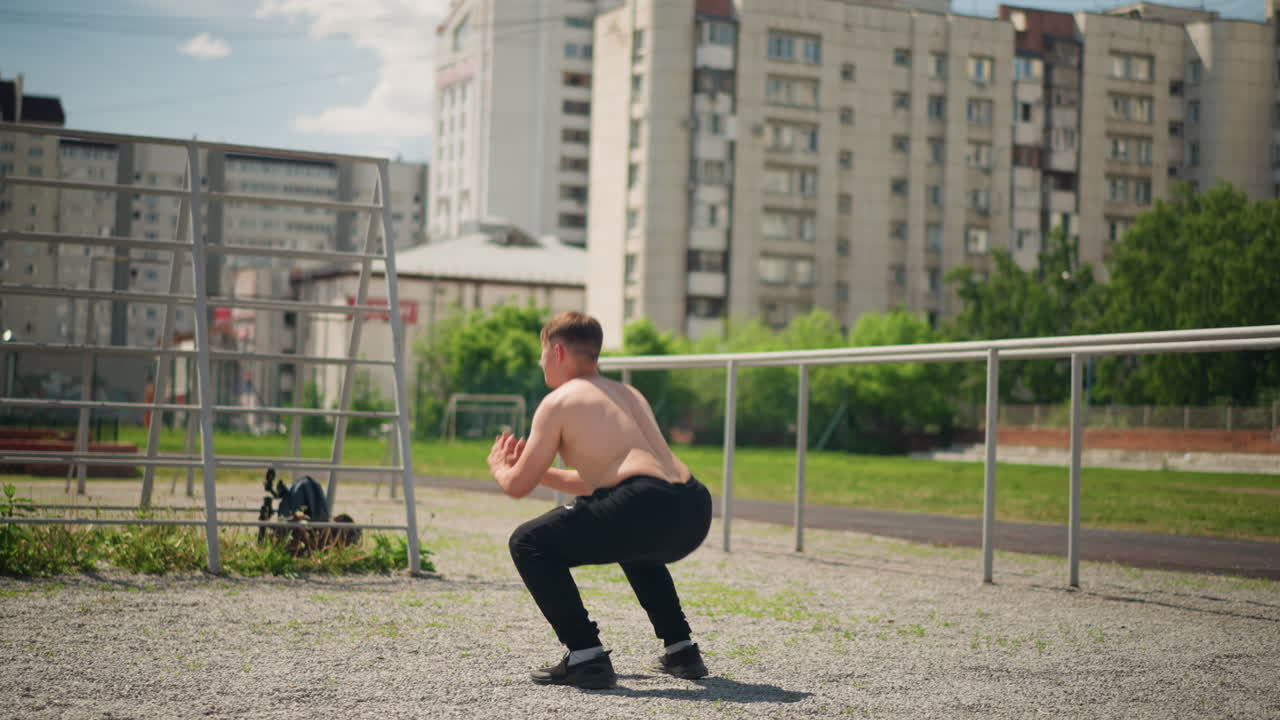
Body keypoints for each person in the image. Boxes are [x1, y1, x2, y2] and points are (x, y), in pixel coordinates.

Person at [487, 311, 713, 690]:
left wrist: (500, 466)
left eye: (542, 354)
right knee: (635, 539)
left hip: (644, 503)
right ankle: (682, 650)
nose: (541, 363)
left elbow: (515, 486)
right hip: (692, 504)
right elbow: (604, 482)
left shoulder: (558, 401)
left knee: (527, 542)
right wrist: (537, 468)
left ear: (557, 351)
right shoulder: (628, 394)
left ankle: (586, 655)